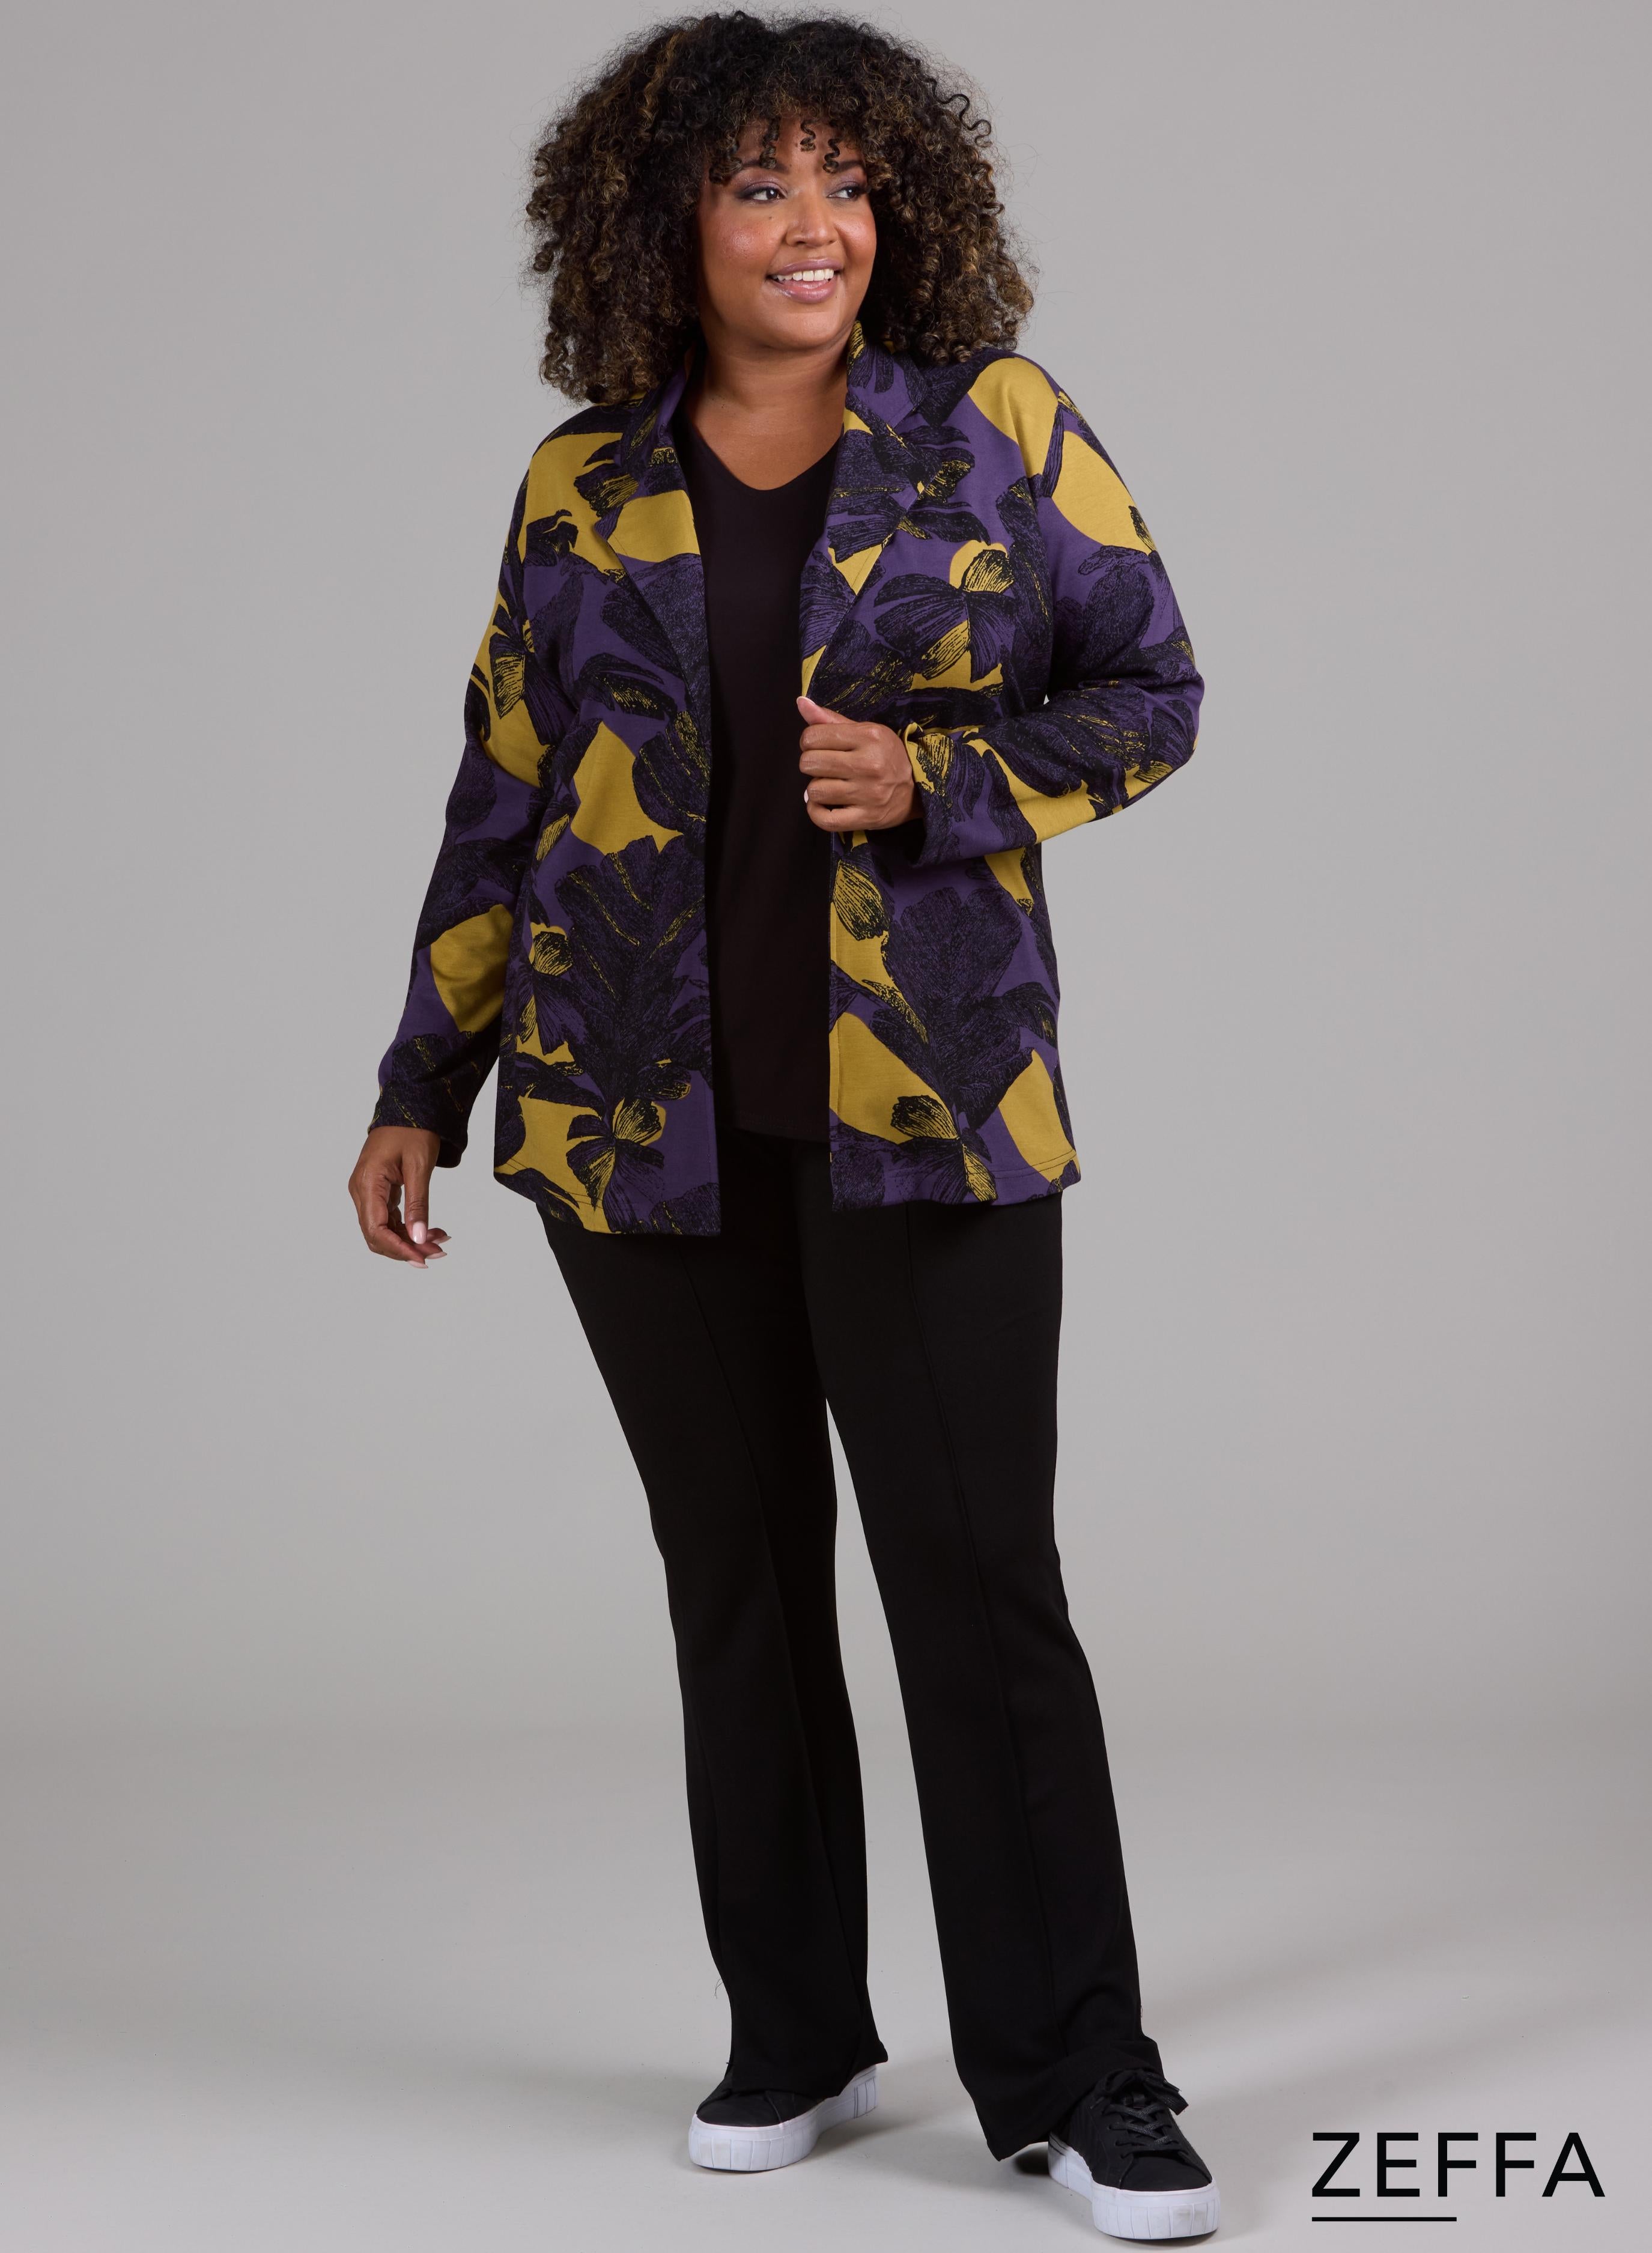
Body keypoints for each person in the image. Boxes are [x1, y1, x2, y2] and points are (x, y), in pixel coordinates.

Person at [347, 13, 1216, 2241]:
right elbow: (502, 795)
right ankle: (799, 2030)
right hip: (636, 1126)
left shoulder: (993, 428)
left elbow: (1154, 693)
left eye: (847, 181)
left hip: (928, 1111)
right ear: (672, 224)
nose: (817, 226)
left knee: (979, 1593)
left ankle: (1081, 2077)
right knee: (736, 1589)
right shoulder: (580, 481)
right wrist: (422, 1084)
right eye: (762, 187)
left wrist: (948, 782)